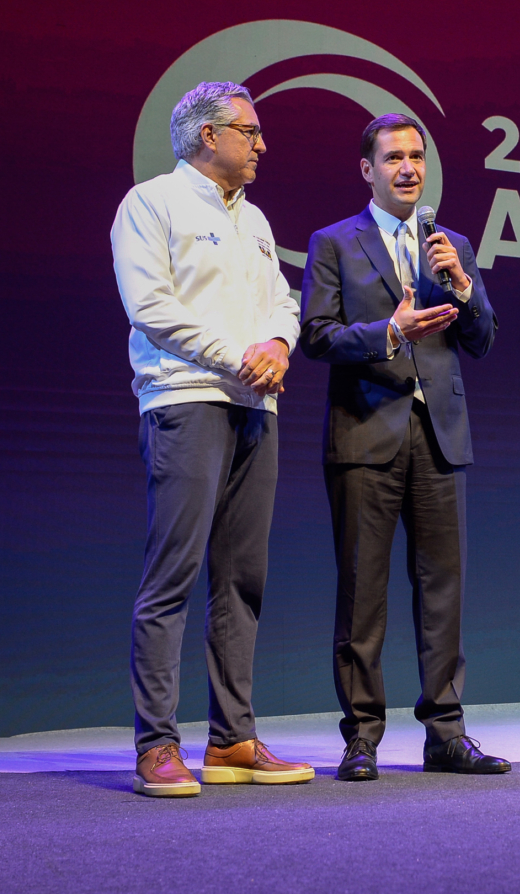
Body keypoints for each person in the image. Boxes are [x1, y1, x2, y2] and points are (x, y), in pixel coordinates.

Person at [110, 81, 314, 797]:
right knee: (173, 576)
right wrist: (239, 357)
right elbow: (151, 307)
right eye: (249, 131)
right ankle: (156, 745)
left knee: (242, 580)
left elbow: (284, 302)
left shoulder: (255, 219)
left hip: (258, 407)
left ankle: (231, 738)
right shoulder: (150, 204)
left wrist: (281, 347)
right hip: (186, 400)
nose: (262, 144)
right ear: (208, 136)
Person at [301, 113, 508, 780]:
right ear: (368, 169)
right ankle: (361, 737)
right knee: (363, 592)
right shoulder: (333, 243)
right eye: (394, 157)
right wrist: (388, 332)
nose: (409, 168)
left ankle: (446, 733)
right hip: (365, 432)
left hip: (440, 436)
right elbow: (317, 335)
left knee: (441, 590)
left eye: (417, 156)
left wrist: (465, 285)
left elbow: (482, 340)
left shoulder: (452, 244)